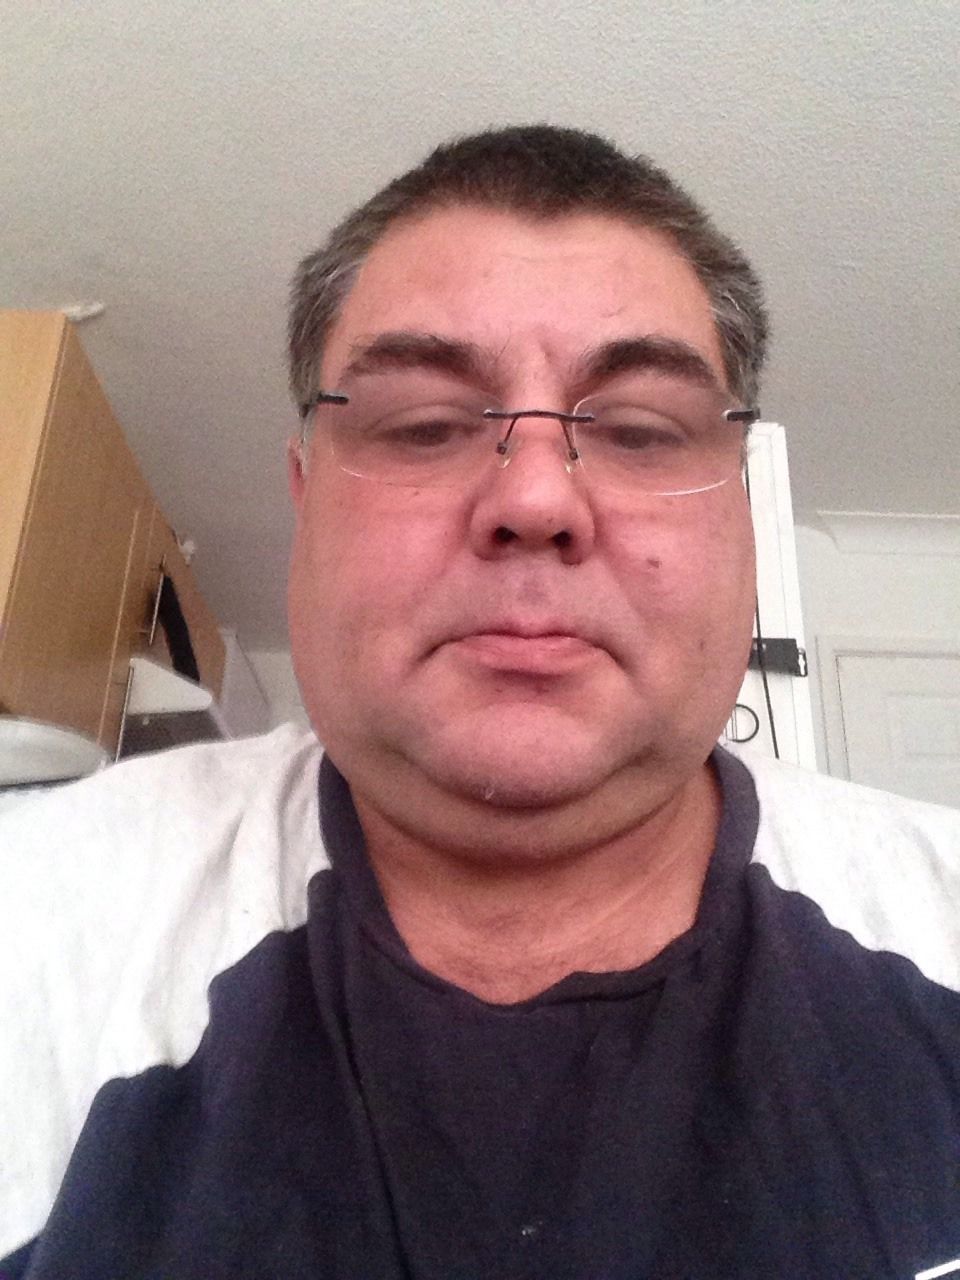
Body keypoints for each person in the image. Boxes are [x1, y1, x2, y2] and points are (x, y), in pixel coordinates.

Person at [2, 125, 959, 1280]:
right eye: (424, 424)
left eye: (640, 428)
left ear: (738, 513)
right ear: (307, 497)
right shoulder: (32, 919)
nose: (537, 497)